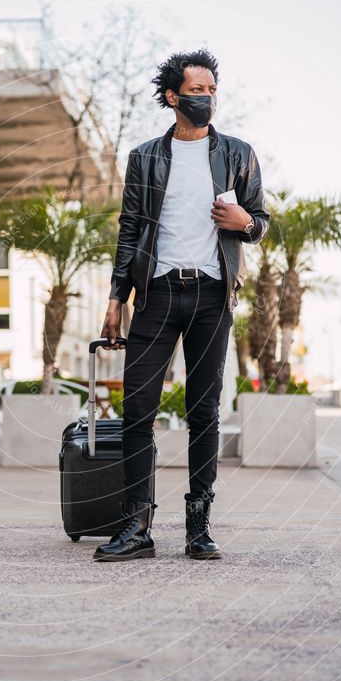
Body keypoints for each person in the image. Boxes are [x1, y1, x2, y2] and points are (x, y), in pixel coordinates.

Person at [94, 48, 270, 562]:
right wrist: (115, 298)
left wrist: (246, 224)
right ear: (173, 96)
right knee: (136, 412)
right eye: (197, 91)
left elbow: (259, 221)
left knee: (204, 413)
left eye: (212, 91)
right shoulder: (145, 157)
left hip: (214, 295)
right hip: (157, 294)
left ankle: (199, 528)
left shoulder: (237, 153)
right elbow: (130, 231)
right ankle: (137, 527)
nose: (206, 99)